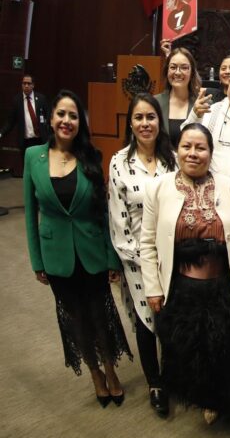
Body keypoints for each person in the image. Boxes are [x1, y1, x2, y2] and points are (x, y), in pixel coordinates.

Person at [139, 122, 230, 426]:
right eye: (187, 146)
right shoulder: (157, 188)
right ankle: (210, 401)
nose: (193, 153)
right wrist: (153, 288)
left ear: (210, 153)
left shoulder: (229, 186)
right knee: (196, 356)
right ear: (177, 150)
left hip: (225, 286)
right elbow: (147, 243)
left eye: (200, 147)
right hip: (182, 289)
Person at [25, 90, 131, 406]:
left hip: (93, 252)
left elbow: (104, 212)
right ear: (51, 118)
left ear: (79, 122)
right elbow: (31, 213)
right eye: (61, 114)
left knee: (101, 316)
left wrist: (112, 257)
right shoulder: (34, 157)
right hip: (56, 256)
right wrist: (36, 260)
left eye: (73, 115)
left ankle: (111, 371)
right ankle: (95, 375)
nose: (66, 121)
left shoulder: (91, 157)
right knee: (75, 320)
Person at [107, 92, 176, 416]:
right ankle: (156, 383)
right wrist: (143, 260)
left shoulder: (173, 158)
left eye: (151, 117)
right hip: (137, 260)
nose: (145, 123)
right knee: (147, 320)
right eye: (139, 118)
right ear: (130, 123)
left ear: (159, 122)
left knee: (173, 319)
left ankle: (177, 376)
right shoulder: (119, 161)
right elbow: (118, 220)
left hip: (174, 256)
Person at [155, 46, 201, 146]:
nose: (178, 72)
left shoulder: (203, 104)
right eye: (173, 67)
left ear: (192, 72)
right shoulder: (155, 103)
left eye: (184, 67)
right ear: (167, 71)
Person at [0, 73, 49, 153]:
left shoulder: (41, 99)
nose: (26, 86)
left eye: (29, 83)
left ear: (33, 85)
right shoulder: (17, 101)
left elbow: (48, 117)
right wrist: (1, 133)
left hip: (40, 140)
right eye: (24, 83)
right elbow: (10, 122)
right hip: (25, 142)